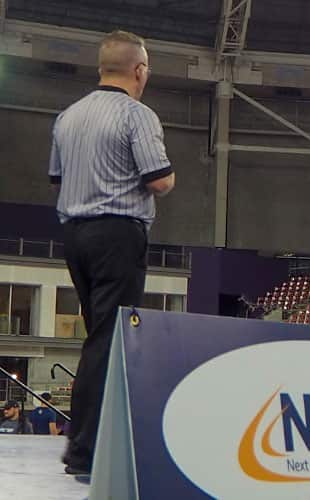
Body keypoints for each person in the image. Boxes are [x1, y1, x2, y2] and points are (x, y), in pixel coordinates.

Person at [49, 30, 175, 475]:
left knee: (98, 339)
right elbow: (159, 179)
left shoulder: (67, 117)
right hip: (118, 234)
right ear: (139, 70)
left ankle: (86, 445)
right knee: (108, 341)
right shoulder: (136, 115)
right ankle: (84, 454)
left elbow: (58, 177)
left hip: (75, 235)